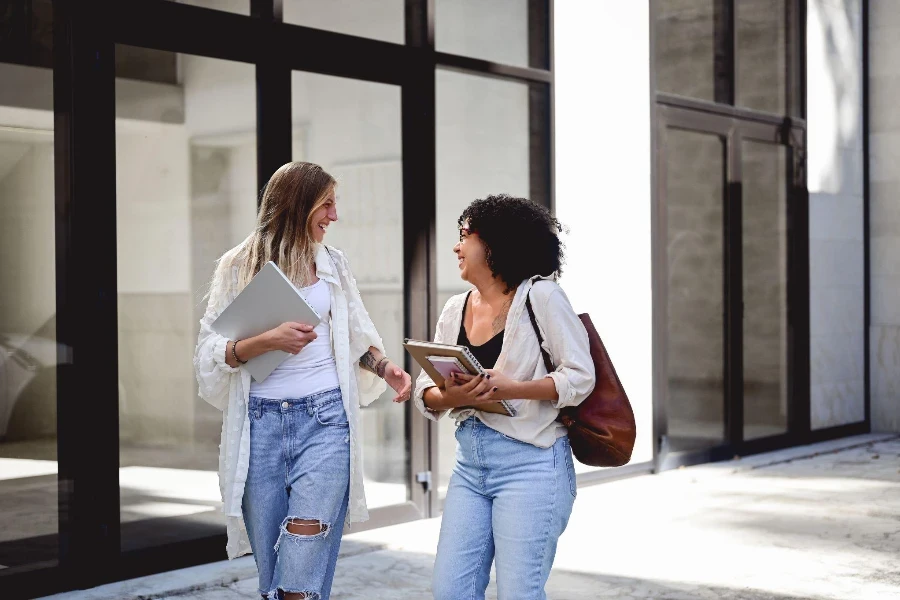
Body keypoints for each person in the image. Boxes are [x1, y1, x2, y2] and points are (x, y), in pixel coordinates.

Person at [194, 161, 412, 600]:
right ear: (297, 206)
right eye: (326, 204)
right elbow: (208, 354)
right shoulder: (239, 265)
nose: (334, 216)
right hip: (260, 426)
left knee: (304, 547)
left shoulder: (333, 264)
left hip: (326, 419)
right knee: (273, 564)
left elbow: (354, 336)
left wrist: (385, 367)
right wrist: (263, 341)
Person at [412, 194, 595, 600]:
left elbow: (580, 377)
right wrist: (450, 395)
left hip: (531, 464)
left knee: (519, 593)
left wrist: (510, 388)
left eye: (464, 236)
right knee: (450, 591)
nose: (456, 247)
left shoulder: (542, 297)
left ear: (495, 244)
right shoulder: (454, 308)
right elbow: (427, 393)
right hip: (470, 466)